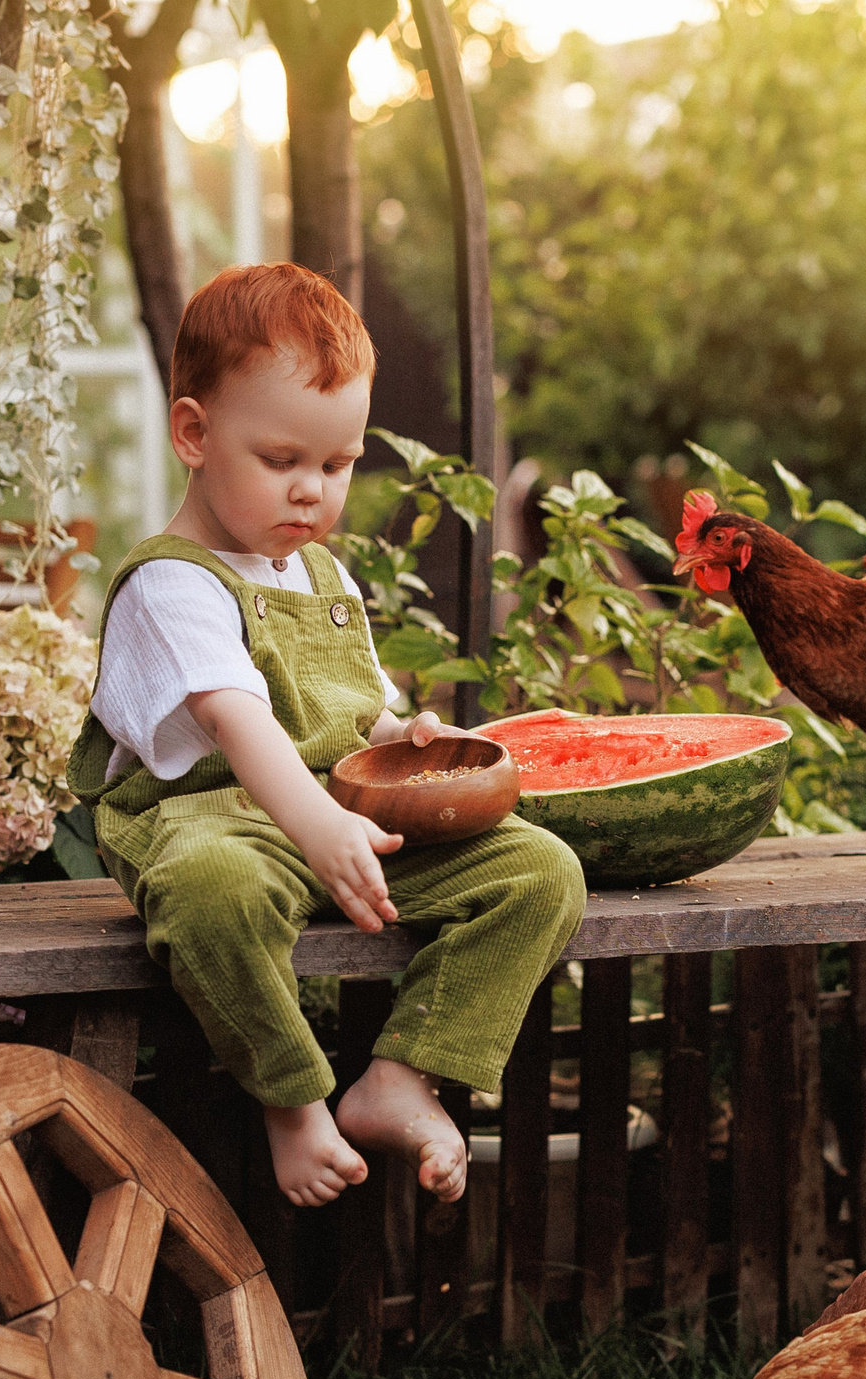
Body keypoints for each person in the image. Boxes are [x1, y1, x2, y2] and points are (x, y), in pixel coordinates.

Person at [69, 263, 586, 1209]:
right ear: (194, 433)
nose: (312, 492)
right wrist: (318, 828)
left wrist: (413, 738)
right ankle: (293, 1102)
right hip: (213, 825)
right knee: (211, 894)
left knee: (539, 871)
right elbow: (242, 720)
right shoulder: (172, 583)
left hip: (331, 823)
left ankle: (405, 1074)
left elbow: (360, 716)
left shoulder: (322, 578)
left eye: (336, 466)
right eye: (281, 461)